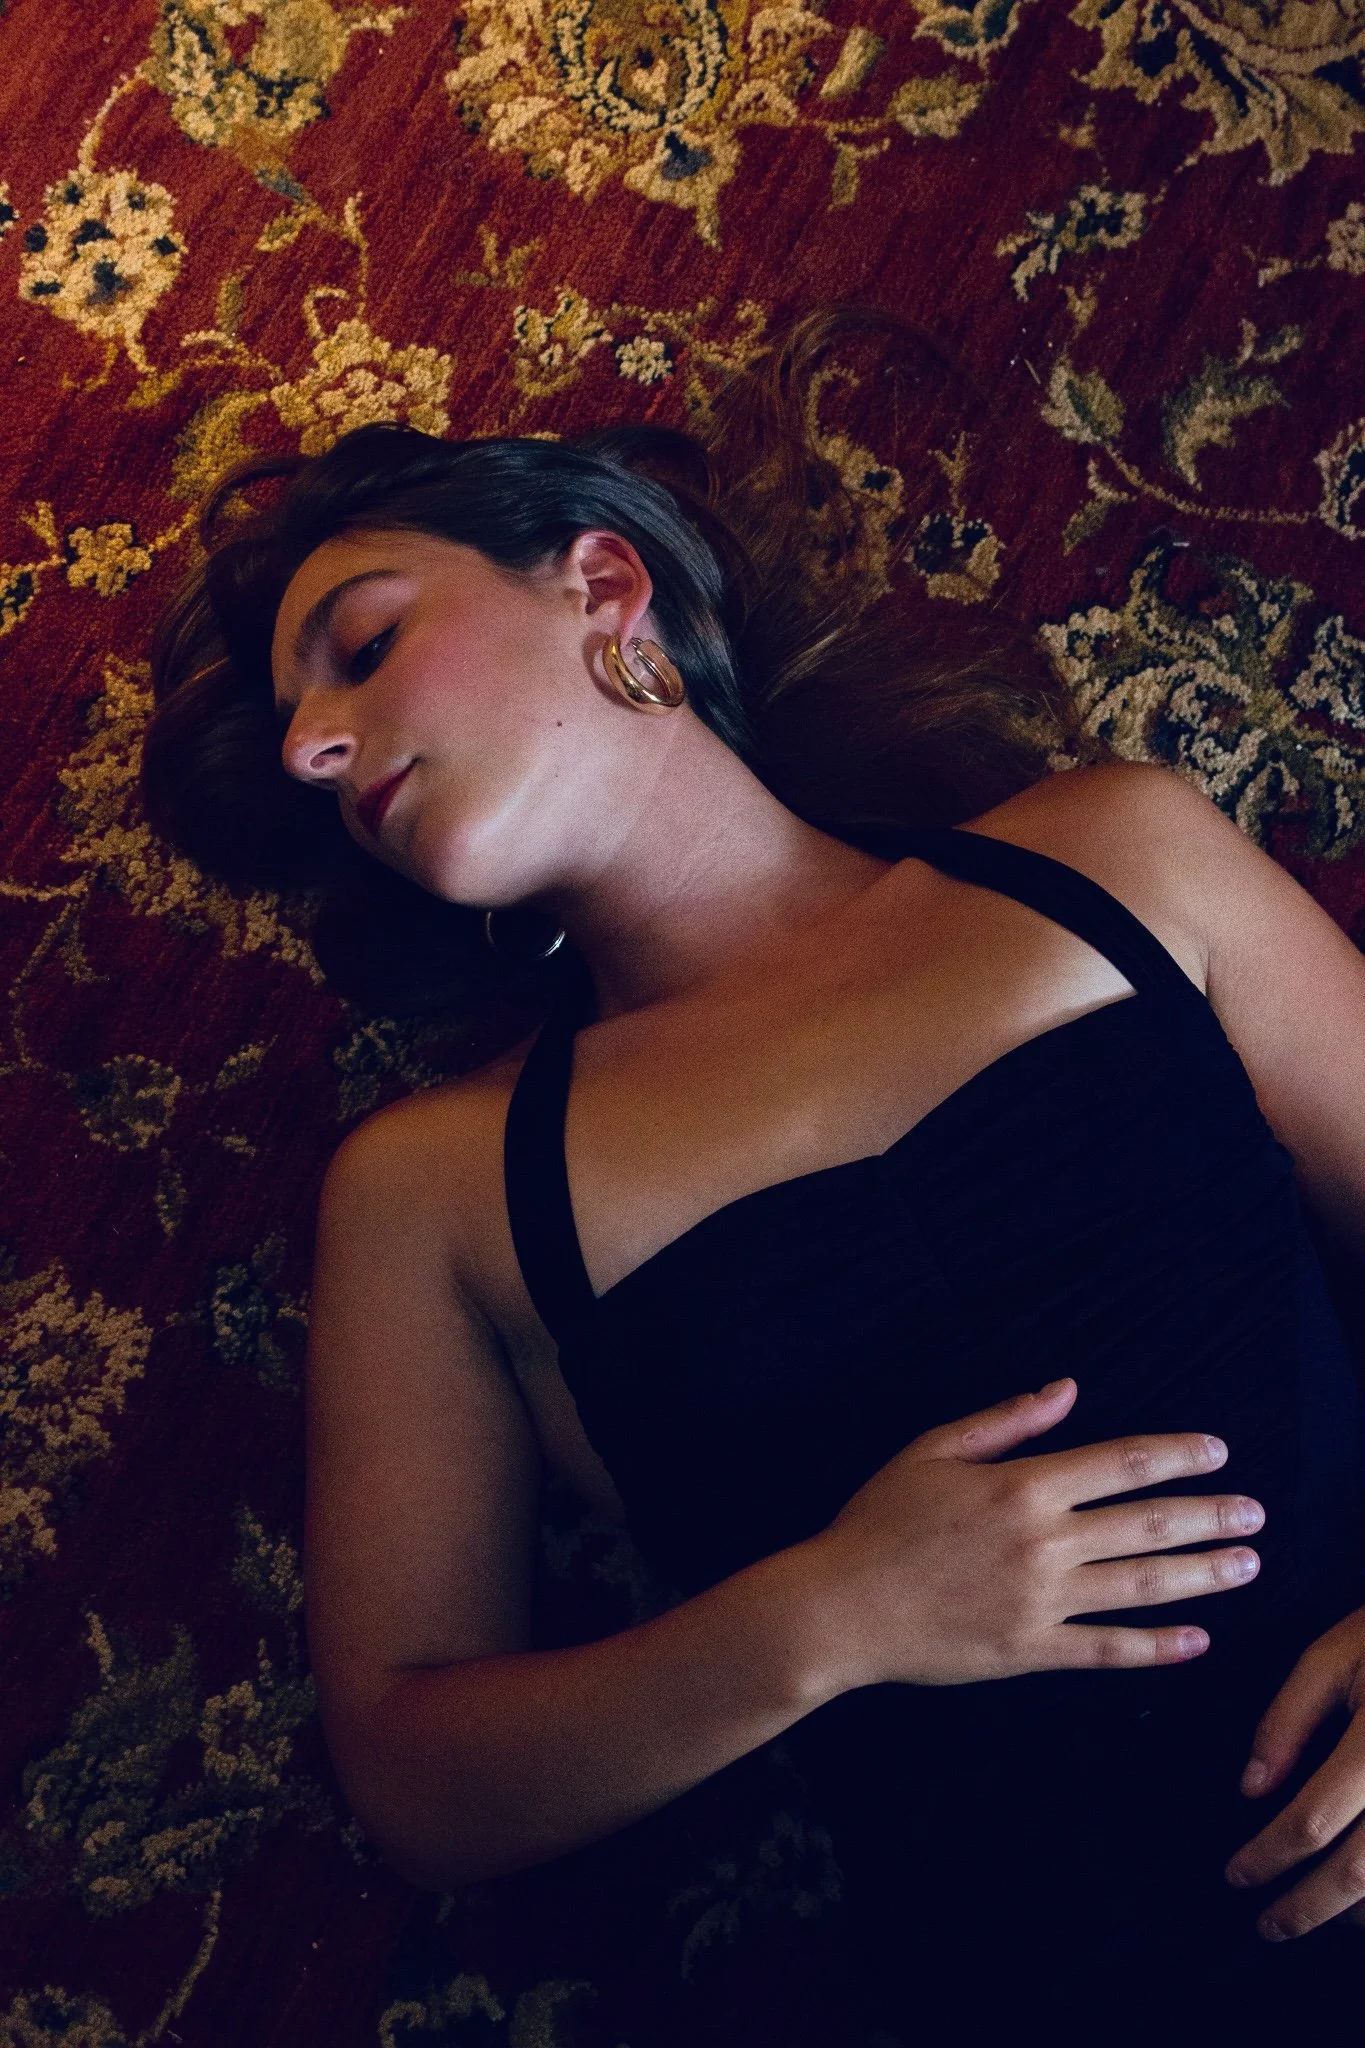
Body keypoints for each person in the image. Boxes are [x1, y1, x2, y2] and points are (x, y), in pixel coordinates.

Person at [142, 307, 1365, 2035]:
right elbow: (415, 1777)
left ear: (604, 585)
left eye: (364, 644)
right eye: (298, 731)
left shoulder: (1118, 853)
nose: (309, 749)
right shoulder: (436, 1192)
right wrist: (824, 1617)